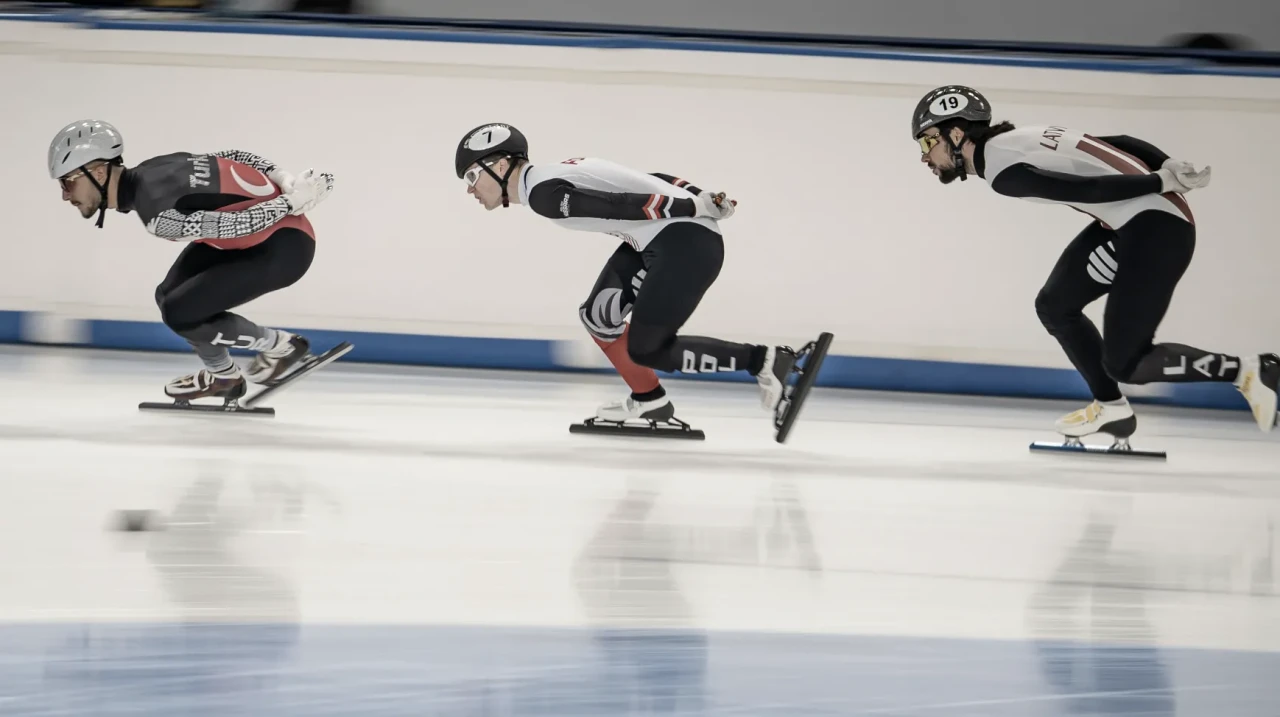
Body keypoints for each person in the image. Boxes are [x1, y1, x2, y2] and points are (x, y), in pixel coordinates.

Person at [910, 85, 1279, 438]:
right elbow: (1118, 142)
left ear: (956, 134)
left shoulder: (1002, 172)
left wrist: (1160, 180)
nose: (925, 156)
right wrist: (1166, 165)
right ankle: (1110, 407)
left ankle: (1248, 371)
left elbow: (1088, 190)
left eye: (928, 141)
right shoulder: (1017, 138)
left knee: (1127, 364)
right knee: (1055, 306)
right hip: (1129, 224)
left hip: (1157, 232)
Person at [454, 122, 806, 428]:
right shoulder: (553, 174)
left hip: (686, 243)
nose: (470, 188)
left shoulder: (545, 194)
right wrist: (700, 195)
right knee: (598, 317)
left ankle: (766, 360)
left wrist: (695, 205)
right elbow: (654, 179)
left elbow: (620, 205)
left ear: (500, 165)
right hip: (662, 238)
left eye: (471, 176)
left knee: (648, 349)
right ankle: (649, 398)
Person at [48, 119, 335, 403]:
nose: (64, 195)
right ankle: (223, 375)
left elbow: (236, 225)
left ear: (98, 174)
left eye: (67, 182)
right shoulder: (153, 167)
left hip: (284, 249)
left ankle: (282, 347)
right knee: (167, 295)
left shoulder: (157, 217)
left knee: (180, 311)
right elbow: (234, 156)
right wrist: (282, 178)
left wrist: (290, 200)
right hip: (264, 235)